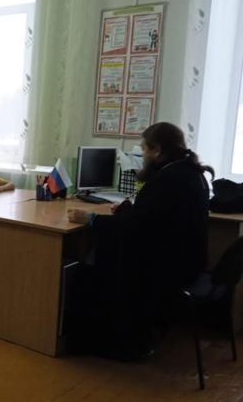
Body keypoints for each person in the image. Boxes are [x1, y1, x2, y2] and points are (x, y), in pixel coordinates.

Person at [66, 122, 212, 359]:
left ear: (157, 149)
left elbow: (135, 228)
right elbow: (155, 219)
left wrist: (91, 219)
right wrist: (128, 211)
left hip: (166, 268)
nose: (142, 155)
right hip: (186, 260)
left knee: (87, 274)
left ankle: (117, 343)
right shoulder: (189, 173)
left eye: (144, 149)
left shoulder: (168, 180)